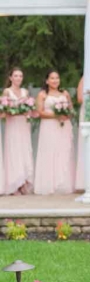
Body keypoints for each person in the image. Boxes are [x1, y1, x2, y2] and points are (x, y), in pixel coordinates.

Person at [34, 70, 75, 195]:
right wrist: (56, 115)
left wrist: (66, 115)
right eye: (52, 78)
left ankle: (63, 183)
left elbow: (71, 110)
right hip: (49, 127)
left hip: (64, 127)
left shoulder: (65, 93)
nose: (55, 80)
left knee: (63, 152)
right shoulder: (42, 94)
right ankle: (48, 185)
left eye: (57, 78)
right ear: (47, 80)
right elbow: (39, 112)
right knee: (49, 152)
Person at [3, 67, 34, 195]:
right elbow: (3, 109)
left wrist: (28, 112)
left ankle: (24, 182)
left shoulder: (25, 91)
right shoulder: (6, 91)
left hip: (23, 124)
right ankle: (14, 184)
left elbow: (29, 109)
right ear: (10, 78)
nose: (18, 78)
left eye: (20, 76)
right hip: (12, 124)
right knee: (13, 151)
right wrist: (9, 111)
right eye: (16, 76)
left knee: (24, 150)